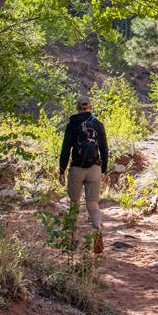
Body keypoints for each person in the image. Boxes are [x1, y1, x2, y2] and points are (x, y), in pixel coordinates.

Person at [59, 98, 109, 253]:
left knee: (74, 203)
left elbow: (66, 149)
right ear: (90, 108)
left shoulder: (72, 124)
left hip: (77, 169)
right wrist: (104, 170)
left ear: (77, 108)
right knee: (93, 205)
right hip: (94, 167)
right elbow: (104, 150)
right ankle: (98, 228)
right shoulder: (98, 124)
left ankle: (73, 239)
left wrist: (61, 170)